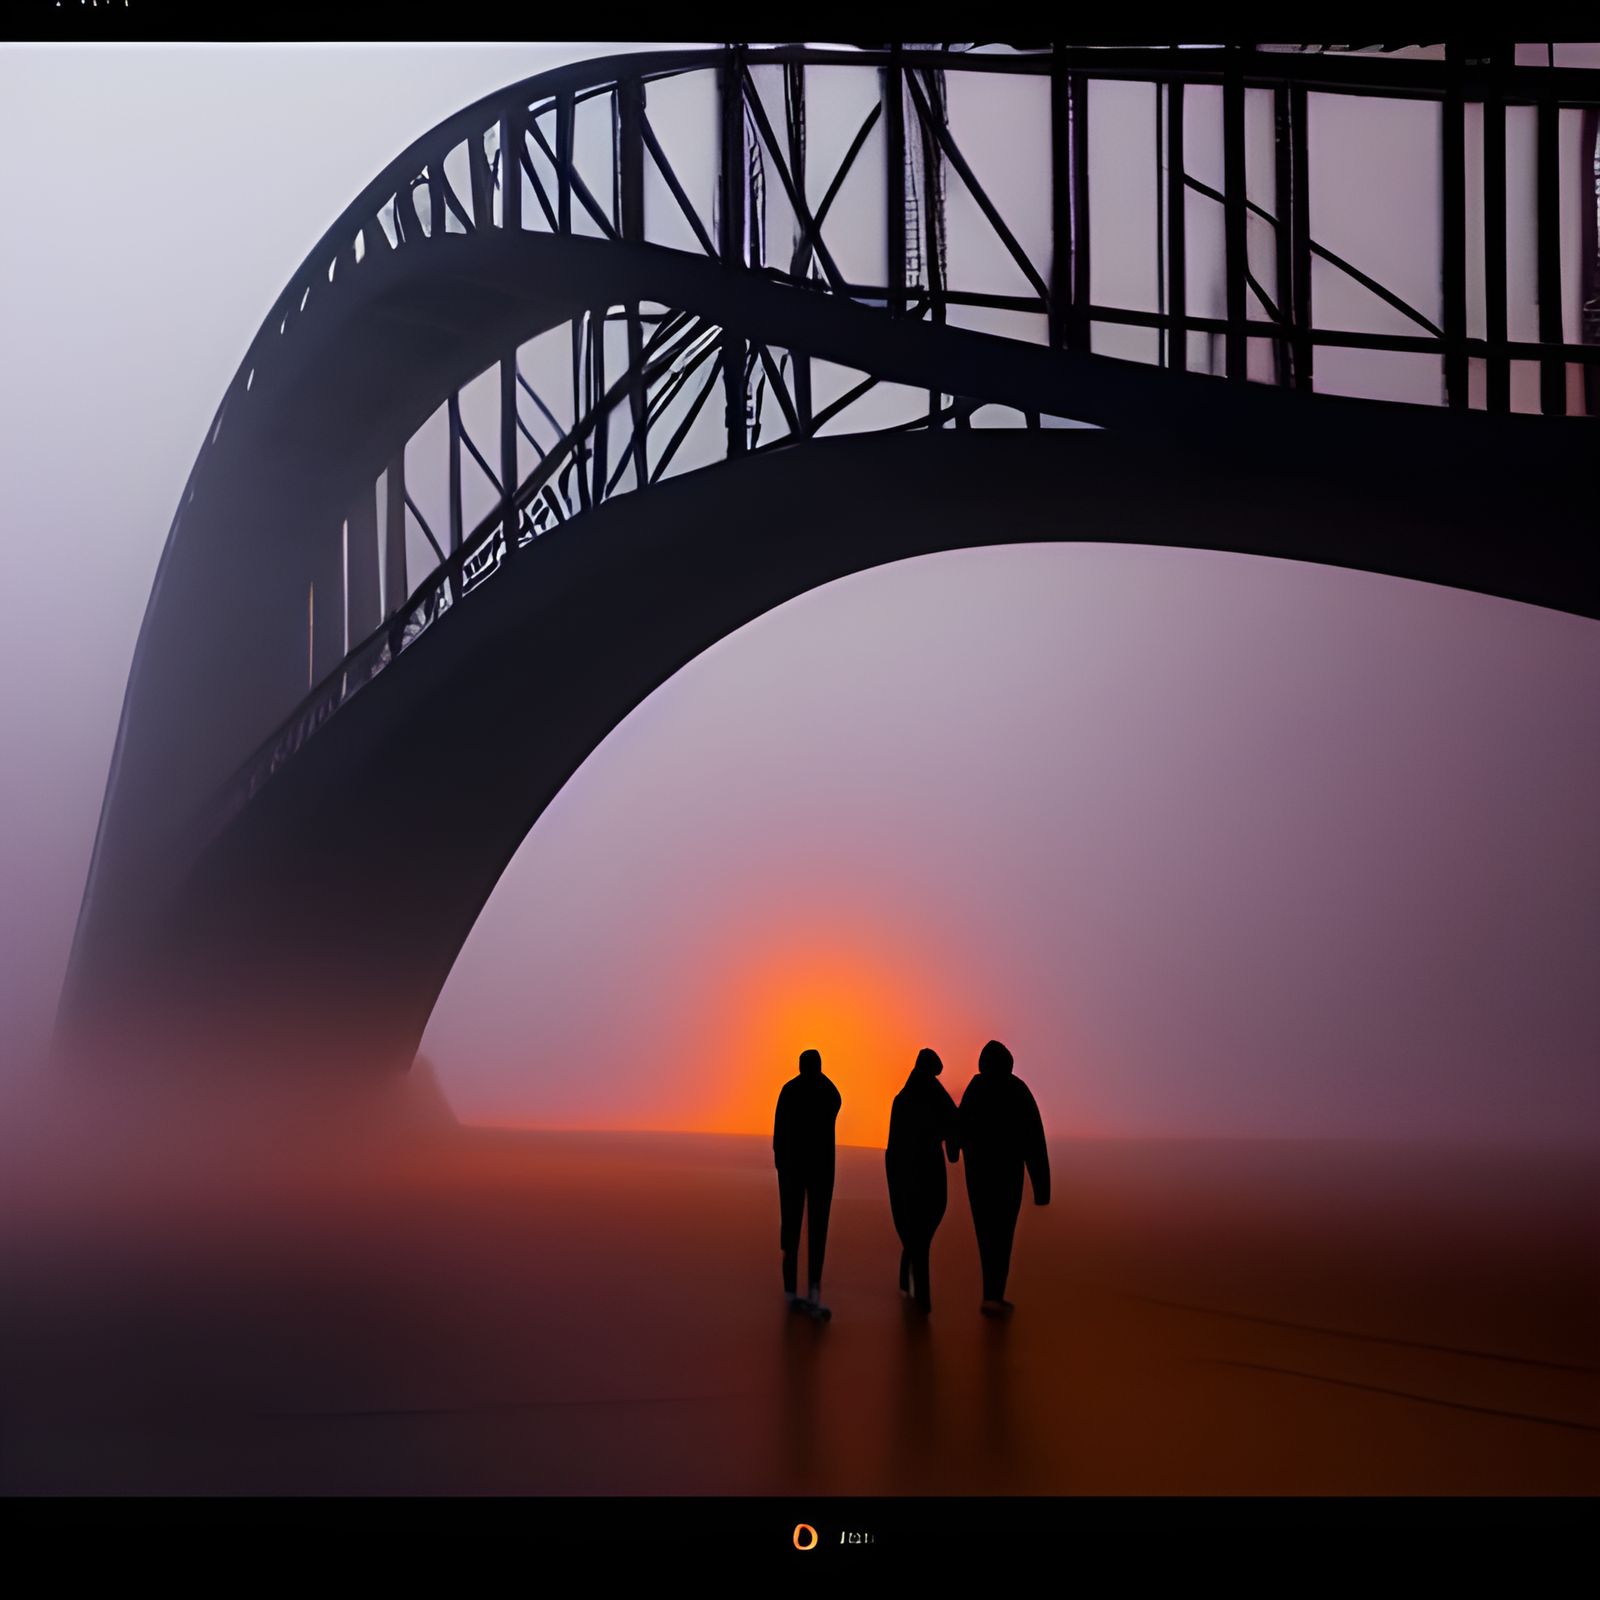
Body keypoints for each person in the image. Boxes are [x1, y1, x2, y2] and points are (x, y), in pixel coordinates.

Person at [957, 1039, 1049, 1317]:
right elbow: (1035, 1140)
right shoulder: (1017, 1090)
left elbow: (959, 1126)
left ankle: (991, 1295)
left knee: (986, 1234)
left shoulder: (976, 1089)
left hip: (978, 1175)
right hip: (1008, 1175)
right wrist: (1041, 1188)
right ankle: (994, 1295)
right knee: (1002, 1234)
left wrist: (952, 1152)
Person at [885, 1047, 960, 1314]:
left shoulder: (905, 1099)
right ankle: (922, 1297)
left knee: (917, 1228)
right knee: (921, 1227)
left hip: (910, 1170)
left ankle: (911, 1278)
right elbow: (954, 1122)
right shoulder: (921, 1097)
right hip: (921, 1169)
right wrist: (952, 1151)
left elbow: (952, 1122)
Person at [773, 1047, 842, 1319]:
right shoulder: (826, 1091)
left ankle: (794, 1288)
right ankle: (809, 1288)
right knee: (814, 1227)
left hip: (794, 1170)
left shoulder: (790, 1090)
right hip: (818, 1170)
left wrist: (781, 1163)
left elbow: (779, 1135)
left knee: (793, 1226)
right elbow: (837, 1103)